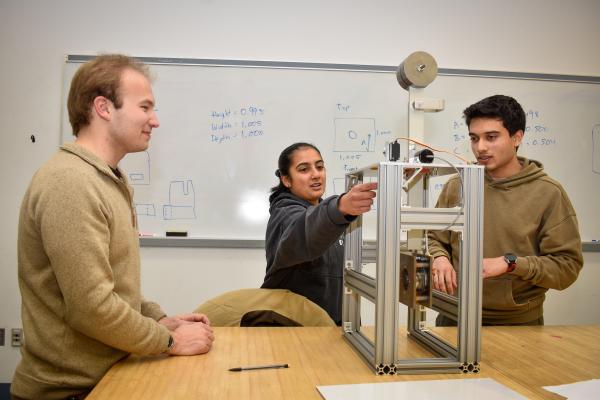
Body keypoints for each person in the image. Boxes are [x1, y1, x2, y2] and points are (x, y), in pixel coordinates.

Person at [12, 54, 214, 400]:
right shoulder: (70, 183)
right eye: (145, 107)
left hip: (106, 379)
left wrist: (160, 319)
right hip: (70, 391)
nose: (155, 120)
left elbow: (115, 288)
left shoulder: (107, 179)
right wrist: (169, 341)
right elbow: (92, 308)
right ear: (104, 108)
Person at [428, 95, 583, 326]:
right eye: (474, 138)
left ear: (516, 137)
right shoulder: (457, 186)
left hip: (517, 324)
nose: (480, 148)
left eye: (491, 137)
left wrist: (511, 263)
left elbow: (566, 267)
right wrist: (439, 258)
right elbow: (434, 238)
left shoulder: (548, 193)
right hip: (454, 317)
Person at [261, 142, 377, 325]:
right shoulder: (284, 214)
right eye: (304, 169)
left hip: (332, 329)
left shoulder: (331, 216)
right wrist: (339, 207)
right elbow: (304, 230)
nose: (316, 174)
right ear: (286, 180)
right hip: (293, 330)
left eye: (320, 166)